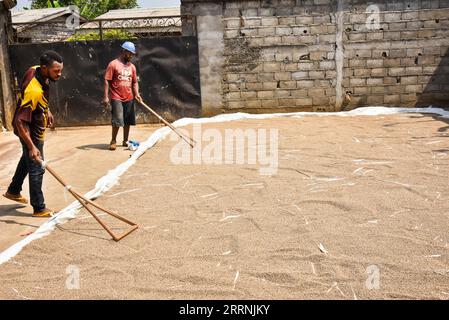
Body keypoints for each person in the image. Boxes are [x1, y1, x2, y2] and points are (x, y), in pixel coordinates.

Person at [3, 51, 64, 217]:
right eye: (56, 71)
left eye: (60, 70)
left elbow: (41, 96)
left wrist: (46, 109)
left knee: (27, 160)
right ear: (45, 69)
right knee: (37, 168)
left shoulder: (35, 69)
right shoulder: (33, 90)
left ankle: (13, 191)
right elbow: (19, 121)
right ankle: (39, 207)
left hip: (36, 124)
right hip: (30, 132)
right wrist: (32, 146)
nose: (59, 74)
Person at [103, 41, 142, 151]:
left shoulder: (132, 67)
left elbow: (134, 82)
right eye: (129, 53)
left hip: (129, 97)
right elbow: (107, 80)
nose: (131, 55)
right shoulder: (113, 64)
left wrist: (137, 94)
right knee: (117, 120)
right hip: (116, 97)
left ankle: (125, 140)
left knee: (127, 120)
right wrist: (106, 97)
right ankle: (113, 141)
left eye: (132, 54)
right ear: (124, 51)